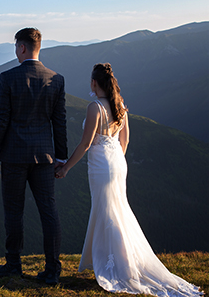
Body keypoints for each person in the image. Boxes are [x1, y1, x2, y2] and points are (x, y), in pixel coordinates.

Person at [56, 63, 203, 296]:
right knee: (118, 210)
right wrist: (115, 161)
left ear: (94, 83)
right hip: (116, 162)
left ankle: (115, 265)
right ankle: (120, 259)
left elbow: (85, 144)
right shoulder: (120, 106)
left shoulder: (95, 107)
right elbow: (124, 141)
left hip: (100, 164)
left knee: (107, 212)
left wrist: (65, 168)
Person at [0, 27, 67, 285]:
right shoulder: (56, 79)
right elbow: (60, 122)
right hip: (44, 157)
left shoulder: (8, 77)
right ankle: (53, 270)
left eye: (15, 47)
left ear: (21, 47)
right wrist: (62, 158)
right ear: (38, 47)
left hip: (13, 156)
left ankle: (13, 264)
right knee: (49, 211)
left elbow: (2, 119)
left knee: (13, 211)